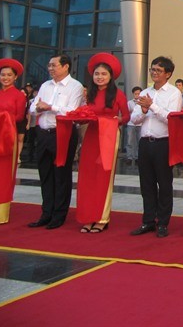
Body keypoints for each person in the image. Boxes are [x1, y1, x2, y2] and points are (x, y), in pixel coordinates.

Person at [75, 53, 130, 233]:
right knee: (88, 176)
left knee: (104, 177)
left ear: (111, 76)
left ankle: (102, 218)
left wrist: (113, 122)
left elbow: (127, 117)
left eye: (103, 74)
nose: (100, 77)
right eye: (97, 74)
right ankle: (88, 216)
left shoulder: (118, 94)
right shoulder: (88, 94)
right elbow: (84, 114)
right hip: (91, 136)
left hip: (109, 136)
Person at [28, 54, 84, 229]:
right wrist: (39, 107)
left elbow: (72, 111)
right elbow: (32, 107)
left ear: (66, 66)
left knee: (61, 175)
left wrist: (50, 107)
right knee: (45, 175)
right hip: (43, 134)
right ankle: (46, 213)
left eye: (54, 65)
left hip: (63, 133)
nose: (50, 68)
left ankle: (59, 215)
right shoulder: (45, 85)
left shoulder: (75, 86)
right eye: (49, 65)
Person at [129, 56, 182, 238]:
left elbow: (171, 118)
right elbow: (134, 120)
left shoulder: (174, 93)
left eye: (158, 70)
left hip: (163, 143)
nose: (154, 73)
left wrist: (152, 106)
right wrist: (143, 110)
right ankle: (148, 221)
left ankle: (163, 222)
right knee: (147, 184)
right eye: (152, 69)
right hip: (145, 142)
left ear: (168, 74)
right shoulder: (145, 92)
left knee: (164, 184)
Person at [0, 58, 27, 224]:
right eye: (2, 75)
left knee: (4, 174)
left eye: (8, 75)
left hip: (7, 137)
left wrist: (0, 117)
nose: (5, 77)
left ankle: (0, 214)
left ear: (15, 77)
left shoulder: (19, 96)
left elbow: (20, 116)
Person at [125, 86, 143, 164]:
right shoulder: (129, 102)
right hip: (131, 123)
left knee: (139, 141)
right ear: (133, 94)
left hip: (140, 124)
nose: (137, 95)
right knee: (130, 141)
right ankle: (129, 157)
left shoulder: (142, 102)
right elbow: (126, 112)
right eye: (135, 94)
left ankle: (137, 157)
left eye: (138, 93)